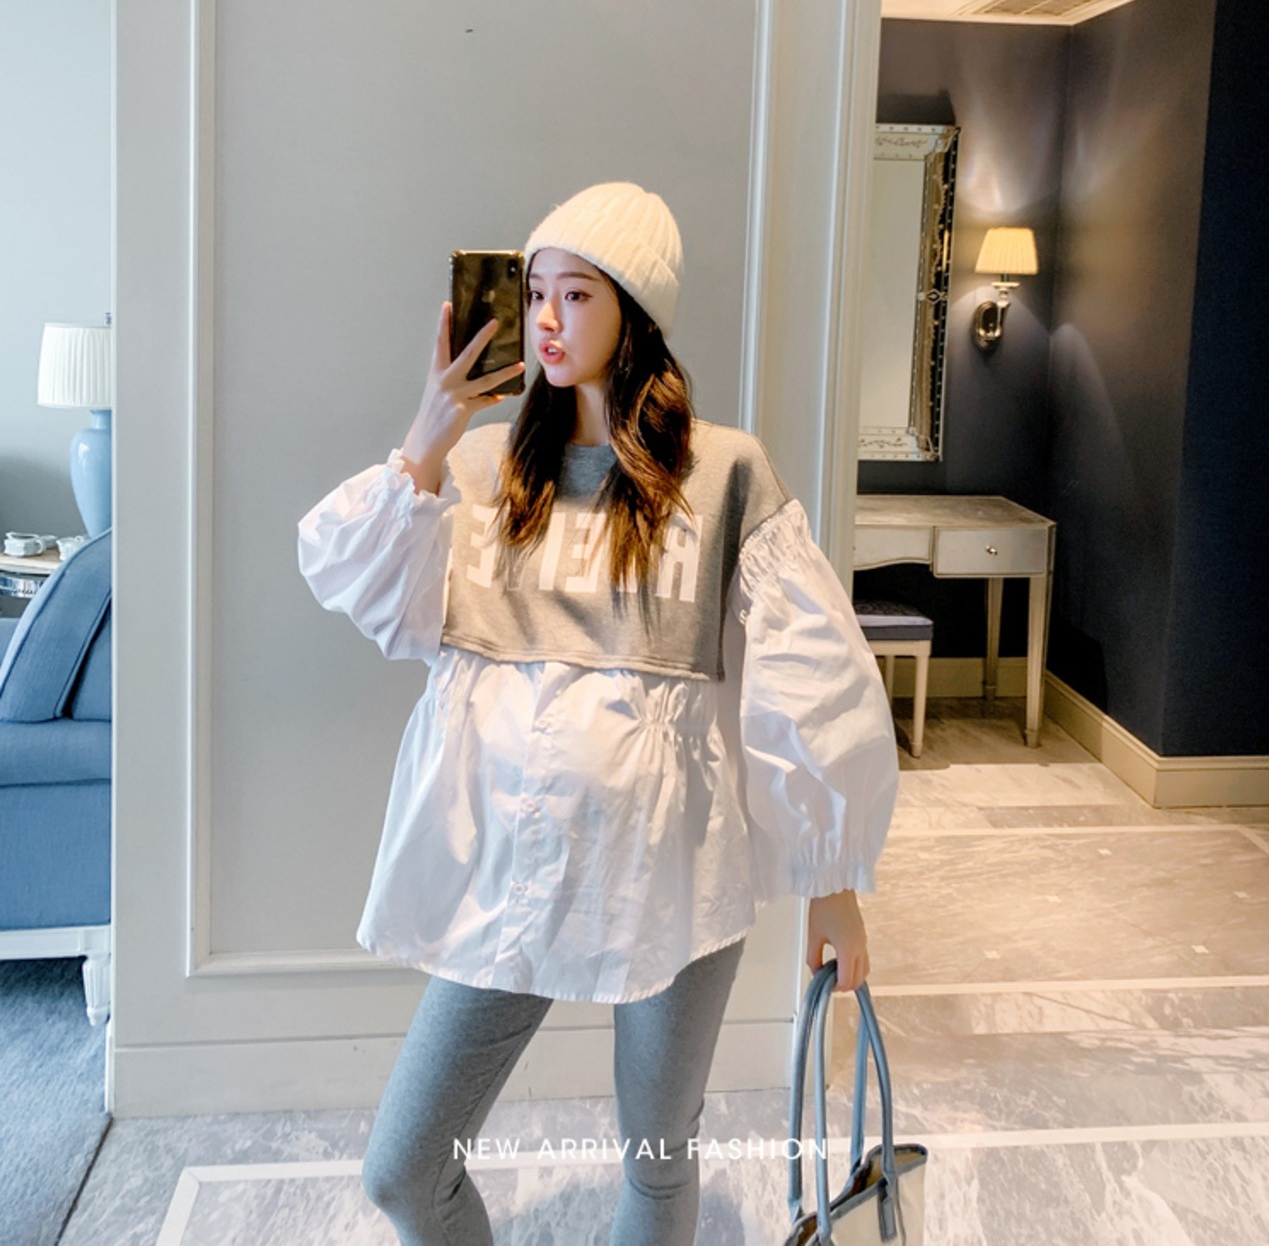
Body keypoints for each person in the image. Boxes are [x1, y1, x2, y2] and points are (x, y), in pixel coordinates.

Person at [297, 180, 899, 1246]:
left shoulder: (722, 474)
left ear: (633, 311)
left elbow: (809, 680)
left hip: (673, 872)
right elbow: (360, 582)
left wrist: (834, 886)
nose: (545, 319)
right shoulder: (481, 471)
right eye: (535, 292)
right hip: (510, 867)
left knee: (657, 1164)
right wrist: (428, 435)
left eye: (576, 294)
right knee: (405, 1171)